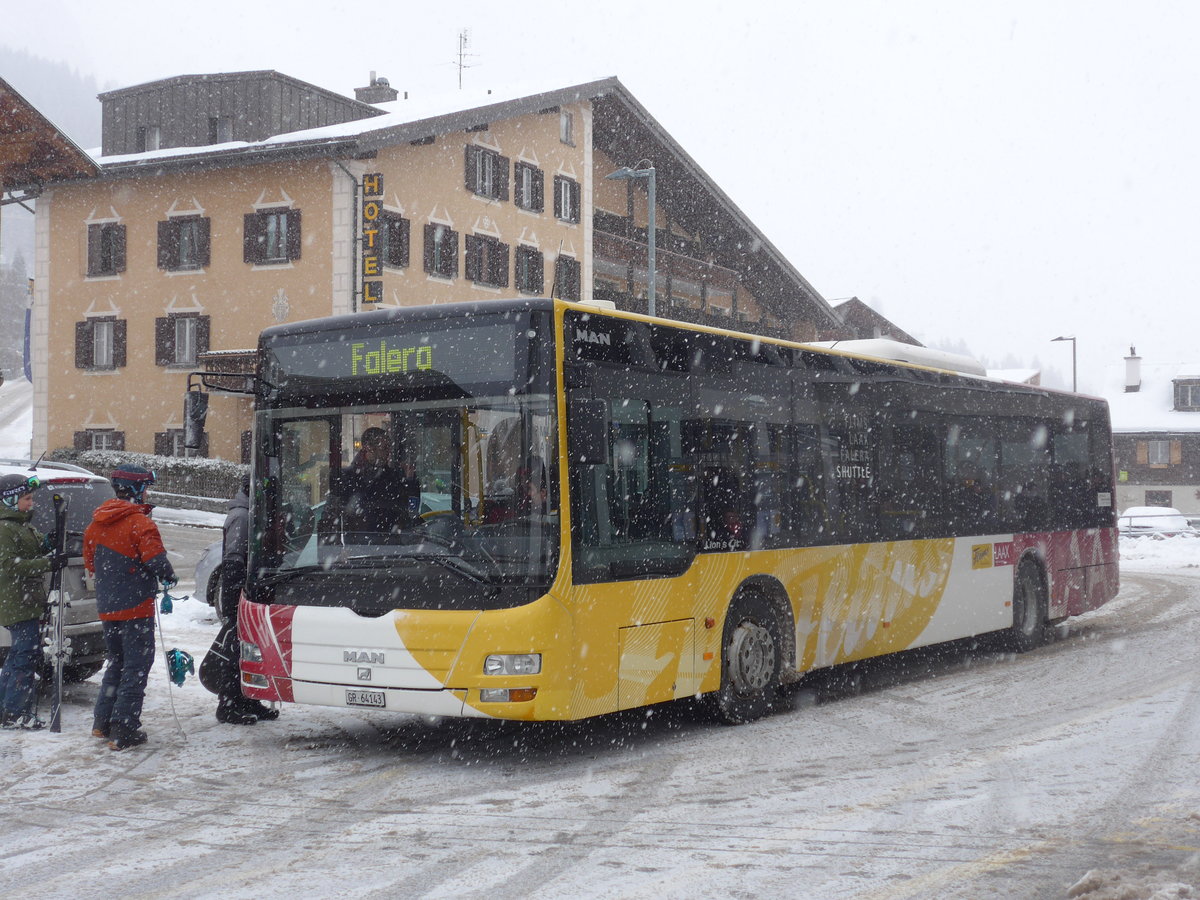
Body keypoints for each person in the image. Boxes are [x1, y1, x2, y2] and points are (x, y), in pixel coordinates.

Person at [83, 465, 177, 751]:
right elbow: (156, 560)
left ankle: (102, 722)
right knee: (136, 667)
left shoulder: (95, 524)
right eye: (145, 488)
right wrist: (169, 576)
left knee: (117, 663)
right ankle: (124, 729)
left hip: (108, 607)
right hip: (136, 607)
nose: (147, 493)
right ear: (136, 490)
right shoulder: (140, 523)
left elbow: (90, 563)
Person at [202, 475, 277, 725]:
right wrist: (237, 594)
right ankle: (229, 704)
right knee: (236, 647)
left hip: (249, 588)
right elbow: (235, 559)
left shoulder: (250, 513)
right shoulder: (242, 517)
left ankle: (249, 698)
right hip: (238, 591)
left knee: (250, 647)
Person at [0, 474, 60, 730]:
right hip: (15, 601)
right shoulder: (4, 528)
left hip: (26, 600)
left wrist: (50, 543)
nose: (31, 503)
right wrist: (48, 563)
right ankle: (16, 711)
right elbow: (8, 565)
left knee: (18, 657)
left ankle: (6, 708)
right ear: (10, 499)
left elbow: (31, 552)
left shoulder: (23, 525)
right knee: (24, 657)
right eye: (26, 499)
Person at [335, 427, 419, 538]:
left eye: (389, 448)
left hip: (390, 544)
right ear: (369, 448)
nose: (388, 452)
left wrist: (410, 479)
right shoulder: (348, 477)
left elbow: (409, 509)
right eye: (384, 448)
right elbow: (334, 513)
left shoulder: (393, 477)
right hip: (358, 546)